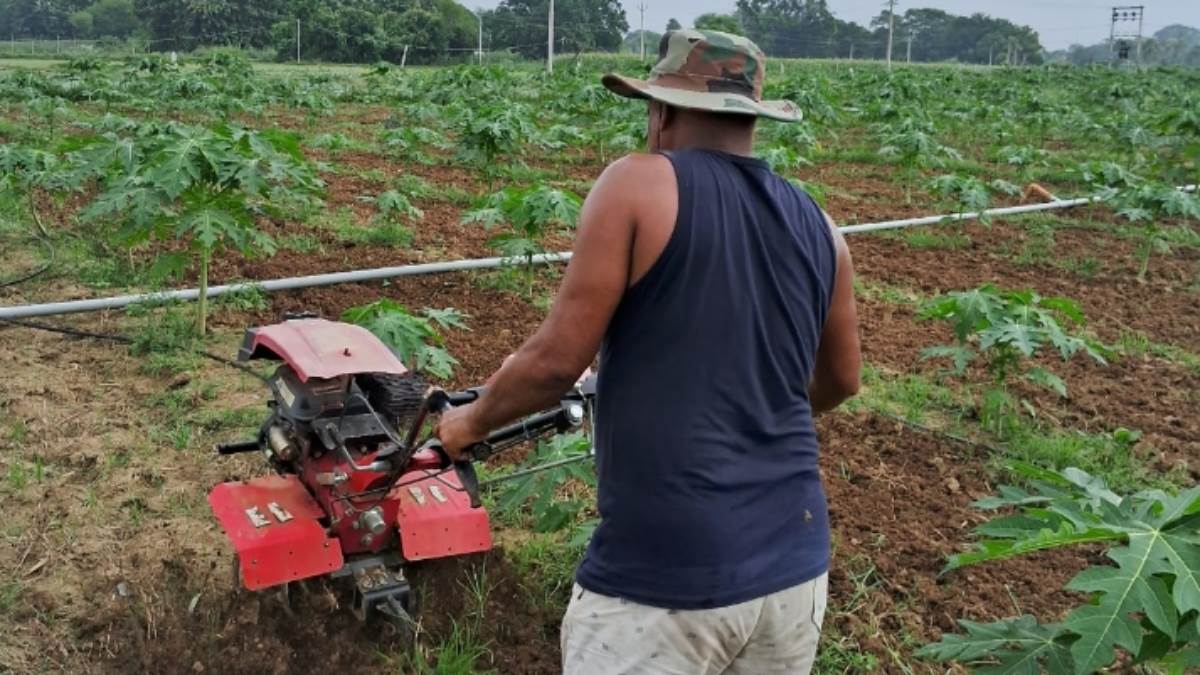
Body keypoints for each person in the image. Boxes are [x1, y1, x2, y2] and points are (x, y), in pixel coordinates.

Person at [436, 29, 862, 675]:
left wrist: (466, 424)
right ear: (751, 118)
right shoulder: (822, 226)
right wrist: (751, 405)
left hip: (667, 572)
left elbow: (555, 362)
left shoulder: (637, 181)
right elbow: (840, 380)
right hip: (794, 565)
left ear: (659, 112)